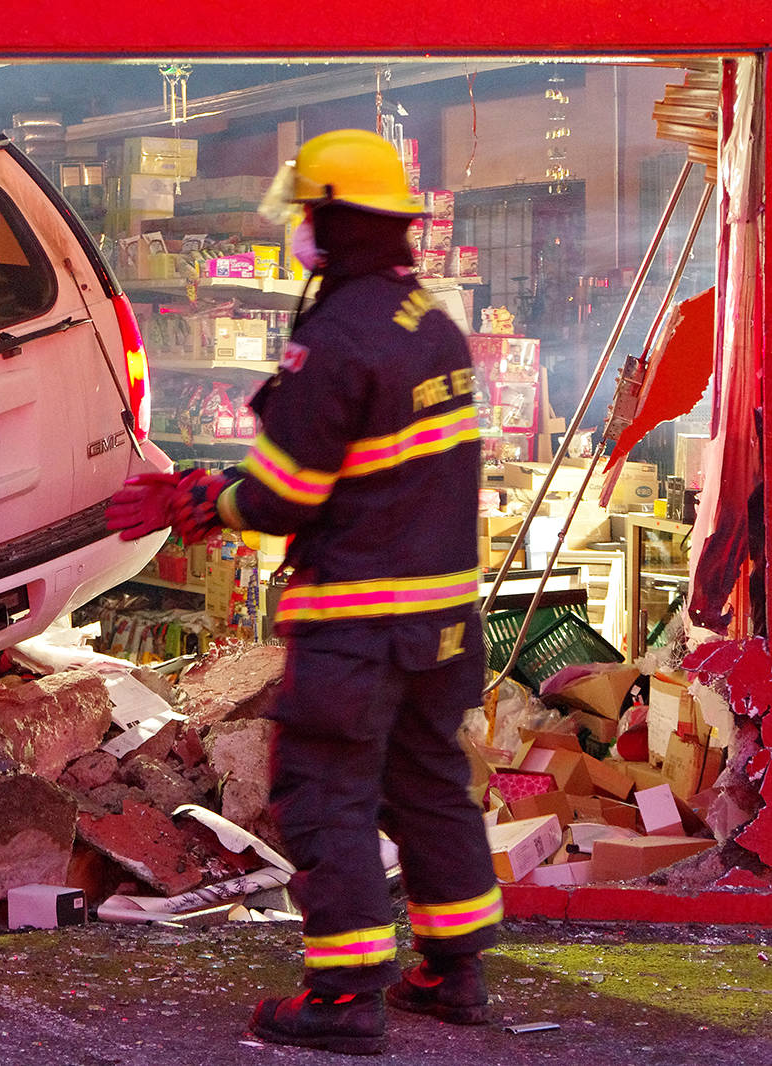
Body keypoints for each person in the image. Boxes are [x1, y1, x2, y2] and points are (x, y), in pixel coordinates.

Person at [106, 128, 501, 1056]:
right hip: (444, 620)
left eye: (307, 215)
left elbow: (286, 492)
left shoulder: (336, 337)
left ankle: (346, 996)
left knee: (325, 791)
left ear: (335, 217)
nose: (298, 232)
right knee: (429, 783)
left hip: (360, 622)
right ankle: (454, 972)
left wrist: (205, 500)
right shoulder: (430, 323)